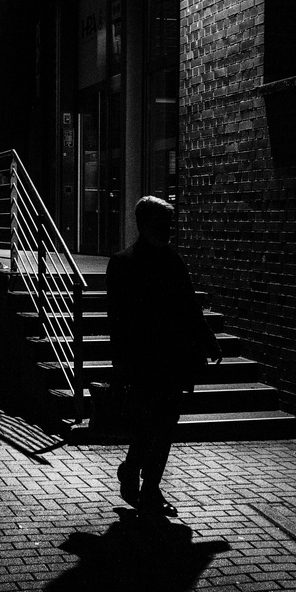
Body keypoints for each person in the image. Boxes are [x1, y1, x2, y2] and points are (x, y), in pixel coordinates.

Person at [106, 196, 223, 516]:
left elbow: (189, 306)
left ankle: (150, 486)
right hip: (144, 361)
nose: (170, 229)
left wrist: (208, 340)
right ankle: (134, 472)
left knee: (166, 425)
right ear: (146, 224)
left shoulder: (172, 260)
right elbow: (117, 320)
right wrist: (121, 363)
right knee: (149, 425)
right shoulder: (124, 263)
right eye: (164, 223)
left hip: (173, 359)